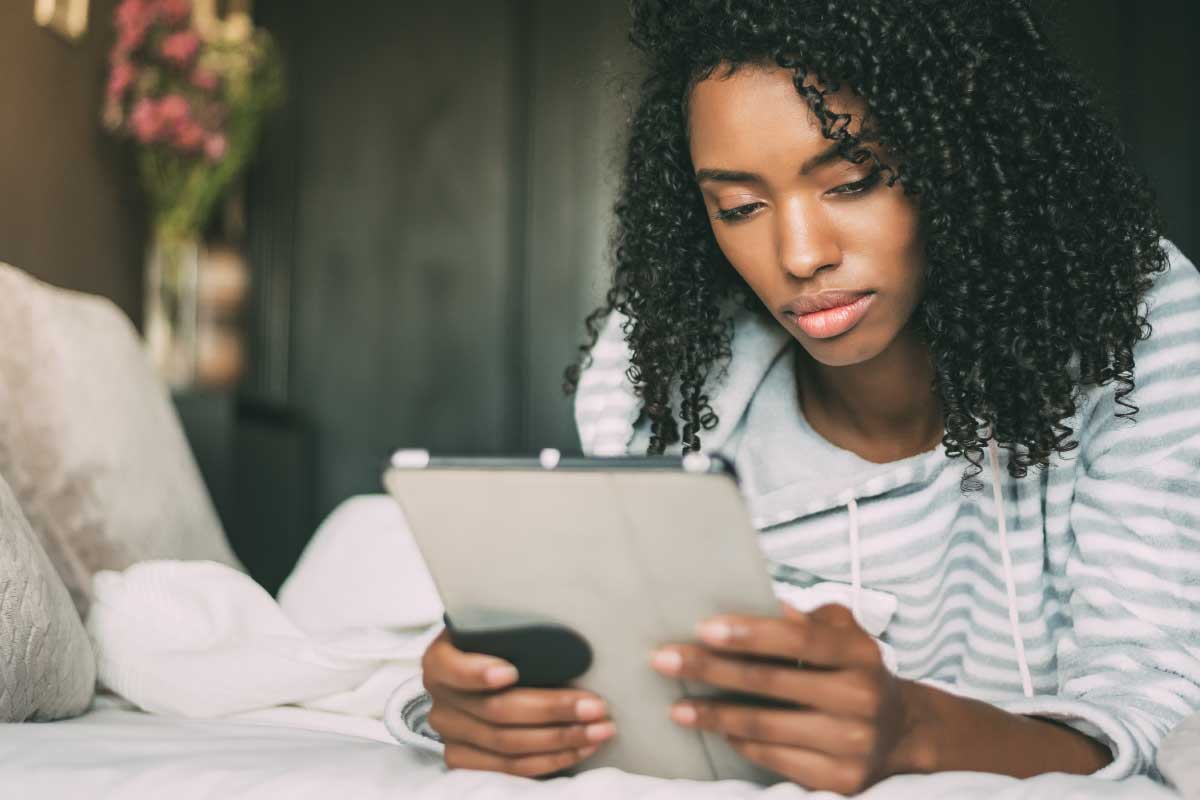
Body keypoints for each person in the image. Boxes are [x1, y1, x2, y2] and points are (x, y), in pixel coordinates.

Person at [412, 0, 1200, 791]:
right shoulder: (663, 373)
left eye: (853, 182)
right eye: (739, 207)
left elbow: (1163, 712)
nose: (797, 254)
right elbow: (632, 688)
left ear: (962, 152)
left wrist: (916, 731)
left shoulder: (1124, 320)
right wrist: (483, 706)